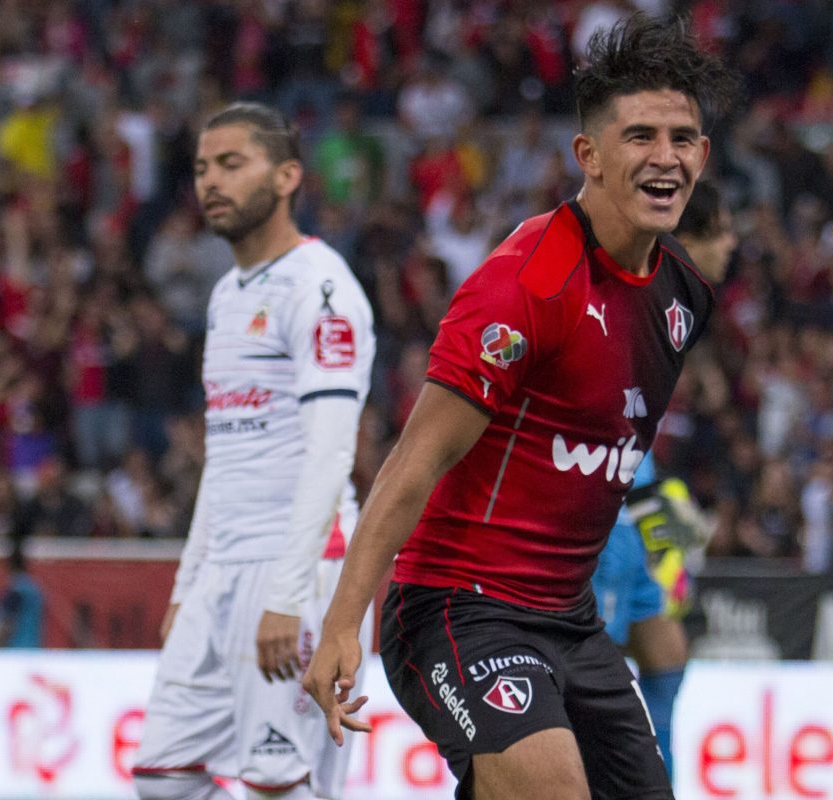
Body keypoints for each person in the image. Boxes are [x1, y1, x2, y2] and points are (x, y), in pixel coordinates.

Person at [303, 15, 739, 800]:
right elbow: (418, 459)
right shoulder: (526, 285)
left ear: (703, 156)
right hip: (457, 608)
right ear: (590, 156)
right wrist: (343, 623)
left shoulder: (682, 297)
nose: (665, 157)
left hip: (569, 620)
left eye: (682, 138)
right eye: (640, 136)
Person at [132, 103, 375, 800]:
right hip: (224, 568)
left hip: (296, 565)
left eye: (232, 164)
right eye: (203, 167)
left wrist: (287, 594)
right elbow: (226, 452)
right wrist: (188, 585)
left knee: (278, 780)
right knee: (163, 776)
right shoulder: (225, 295)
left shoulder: (320, 288)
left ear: (288, 175)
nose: (211, 181)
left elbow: (332, 452)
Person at [590, 179, 734, 780]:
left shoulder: (683, 307)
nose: (731, 245)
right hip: (600, 512)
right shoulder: (641, 292)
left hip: (636, 496)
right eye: (721, 232)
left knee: (668, 653)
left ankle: (657, 783)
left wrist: (658, 523)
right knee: (587, 679)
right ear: (692, 237)